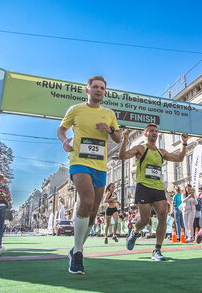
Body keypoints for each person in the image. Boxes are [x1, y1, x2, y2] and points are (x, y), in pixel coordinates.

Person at [57, 75, 121, 274]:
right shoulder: (75, 110)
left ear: (104, 92)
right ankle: (77, 253)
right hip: (79, 162)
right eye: (95, 87)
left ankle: (76, 248)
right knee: (86, 200)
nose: (99, 90)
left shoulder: (109, 113)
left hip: (100, 166)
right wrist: (64, 140)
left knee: (93, 212)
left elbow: (118, 138)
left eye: (102, 88)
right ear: (87, 90)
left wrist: (110, 129)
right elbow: (62, 129)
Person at [119, 124, 188, 261]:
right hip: (143, 186)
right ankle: (134, 232)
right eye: (151, 131)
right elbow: (122, 156)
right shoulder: (140, 148)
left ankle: (157, 250)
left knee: (162, 216)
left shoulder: (161, 152)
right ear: (145, 134)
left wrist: (184, 143)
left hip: (157, 187)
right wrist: (125, 139)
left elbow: (179, 158)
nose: (154, 133)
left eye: (156, 131)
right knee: (144, 220)